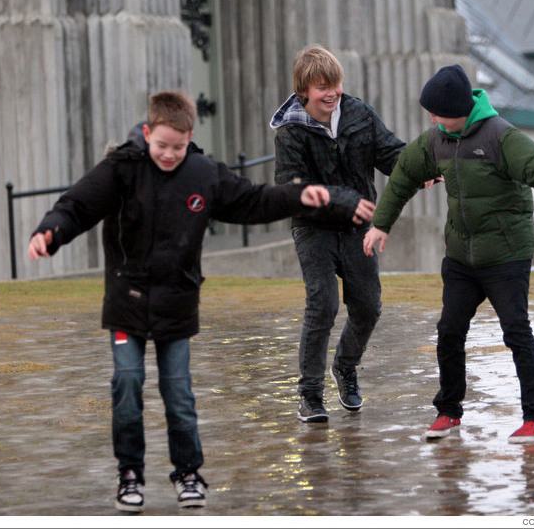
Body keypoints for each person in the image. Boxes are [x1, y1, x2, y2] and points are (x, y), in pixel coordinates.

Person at [27, 91, 333, 512]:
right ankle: (129, 473)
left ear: (191, 137)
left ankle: (188, 472)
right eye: (162, 146)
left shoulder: (204, 173)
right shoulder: (122, 167)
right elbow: (77, 205)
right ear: (147, 133)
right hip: (127, 300)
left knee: (179, 393)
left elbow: (252, 199)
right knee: (128, 383)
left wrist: (297, 195)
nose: (169, 155)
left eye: (179, 146)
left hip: (177, 302)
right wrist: (50, 232)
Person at [363, 64, 534, 444]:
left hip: (506, 255)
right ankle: (448, 413)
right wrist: (381, 223)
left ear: (458, 109)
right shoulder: (436, 139)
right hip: (462, 256)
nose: (431, 117)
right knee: (448, 332)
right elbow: (402, 177)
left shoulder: (501, 137)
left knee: (516, 332)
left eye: (437, 111)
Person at [270, 44, 406, 423]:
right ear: (304, 93)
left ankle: (345, 367)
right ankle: (310, 395)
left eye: (335, 84)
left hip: (357, 227)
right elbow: (294, 189)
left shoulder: (359, 113)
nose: (331, 93)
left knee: (367, 305)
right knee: (324, 304)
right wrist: (346, 201)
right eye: (321, 87)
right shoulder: (289, 132)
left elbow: (391, 153)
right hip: (313, 228)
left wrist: (422, 167)